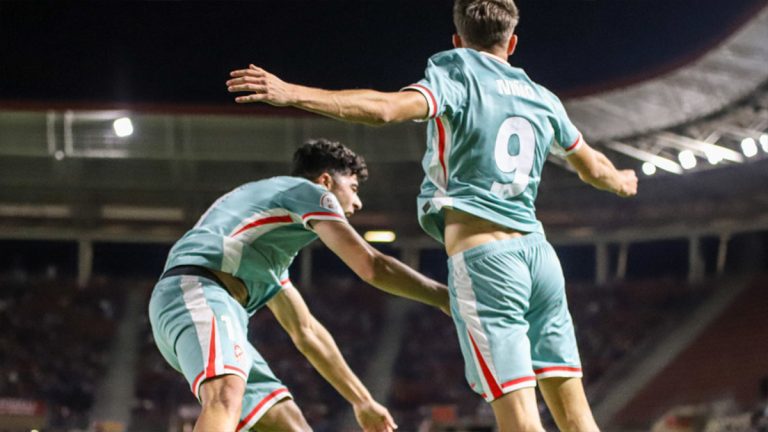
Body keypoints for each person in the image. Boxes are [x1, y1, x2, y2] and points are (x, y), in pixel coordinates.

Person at [226, 1, 637, 430]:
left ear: (458, 40)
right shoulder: (543, 98)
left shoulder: (457, 71)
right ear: (511, 42)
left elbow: (385, 109)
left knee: (520, 419)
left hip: (489, 261)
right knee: (578, 417)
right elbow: (595, 169)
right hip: (541, 261)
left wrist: (292, 93)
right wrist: (623, 182)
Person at [149, 139, 449, 432]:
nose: (357, 202)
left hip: (205, 306)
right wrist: (443, 297)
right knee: (226, 393)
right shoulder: (309, 191)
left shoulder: (265, 246)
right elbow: (372, 265)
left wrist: (363, 401)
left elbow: (306, 332)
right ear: (327, 181)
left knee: (288, 422)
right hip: (197, 293)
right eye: (354, 189)